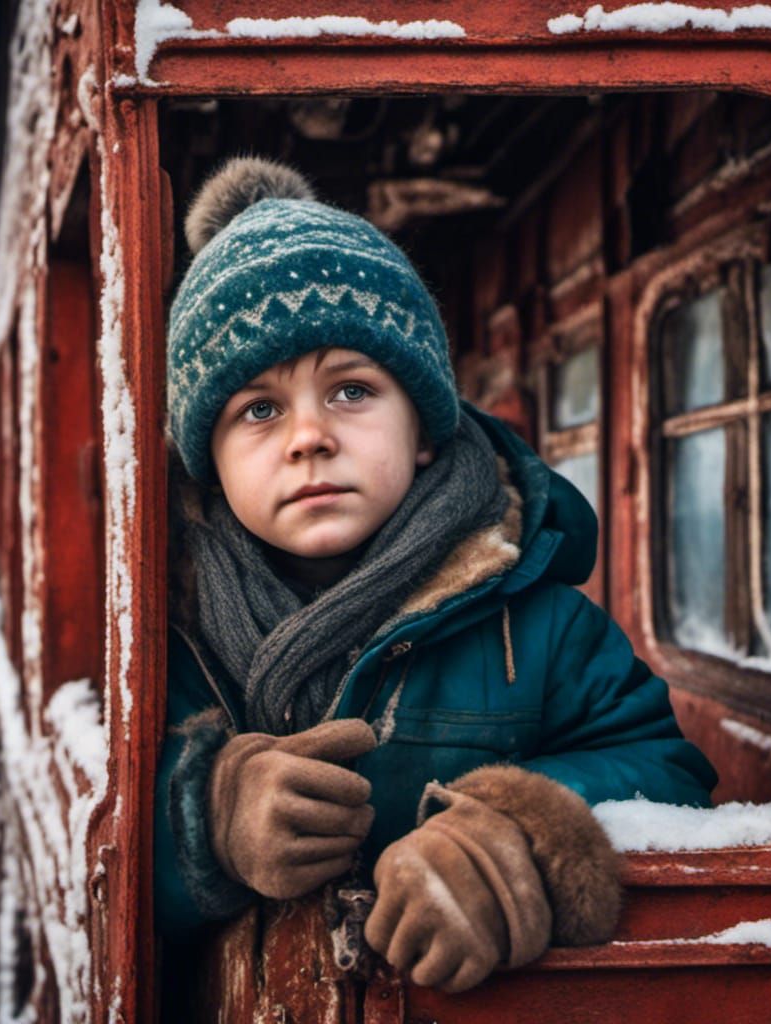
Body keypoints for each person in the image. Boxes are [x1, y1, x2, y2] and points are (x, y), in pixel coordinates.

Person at [156, 156, 716, 994]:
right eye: (259, 409)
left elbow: (667, 775)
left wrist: (515, 832)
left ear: (423, 428)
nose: (308, 436)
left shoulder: (536, 616)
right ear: (210, 462)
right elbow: (104, 836)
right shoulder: (165, 631)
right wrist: (213, 817)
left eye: (350, 391)